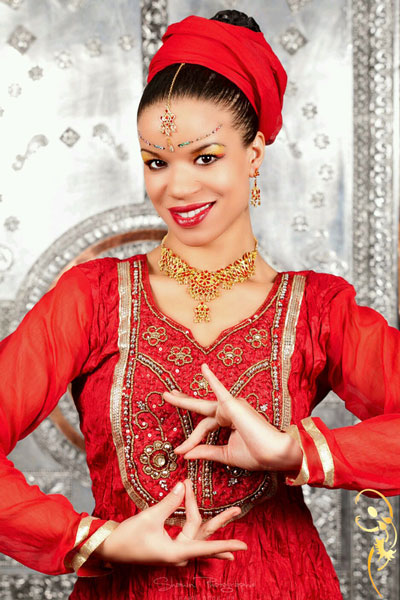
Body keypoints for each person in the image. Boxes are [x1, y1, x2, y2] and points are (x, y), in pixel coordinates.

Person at [0, 9, 399, 600]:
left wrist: (293, 449)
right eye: (157, 162)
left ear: (254, 154)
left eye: (205, 157)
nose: (178, 188)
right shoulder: (91, 299)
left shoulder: (319, 312)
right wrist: (98, 540)